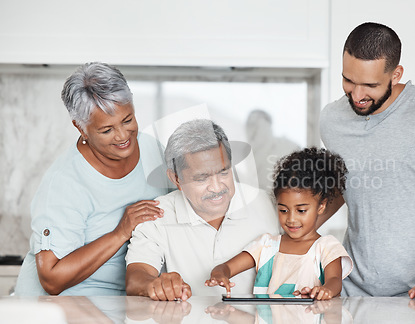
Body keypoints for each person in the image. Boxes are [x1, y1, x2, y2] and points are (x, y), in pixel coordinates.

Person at [319, 22, 415, 301]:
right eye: (348, 80)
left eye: (370, 85)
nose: (357, 95)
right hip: (352, 294)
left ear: (396, 74)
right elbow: (344, 187)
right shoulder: (332, 120)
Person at [15, 62, 166, 296]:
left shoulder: (153, 150)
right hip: (63, 305)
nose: (123, 135)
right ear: (81, 128)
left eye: (128, 120)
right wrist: (121, 231)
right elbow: (52, 279)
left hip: (123, 299)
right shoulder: (65, 183)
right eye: (106, 130)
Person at [125, 119, 281, 301]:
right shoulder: (157, 214)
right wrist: (155, 285)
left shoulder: (270, 204)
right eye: (201, 179)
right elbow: (136, 277)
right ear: (176, 179)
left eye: (223, 172)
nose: (216, 188)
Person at [206, 147, 353, 300]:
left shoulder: (327, 246)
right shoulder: (266, 245)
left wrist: (326, 290)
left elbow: (335, 281)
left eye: (301, 210)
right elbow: (227, 267)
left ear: (321, 206)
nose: (291, 219)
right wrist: (219, 274)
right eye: (283, 210)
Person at [245, 109, 300, 191]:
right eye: (250, 124)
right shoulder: (249, 156)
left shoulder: (286, 146)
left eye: (257, 124)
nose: (253, 129)